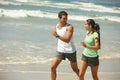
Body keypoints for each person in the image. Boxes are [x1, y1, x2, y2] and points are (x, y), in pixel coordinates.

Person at [51, 11, 79, 80]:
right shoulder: (57, 26)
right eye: (64, 18)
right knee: (53, 67)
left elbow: (67, 40)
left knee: (75, 69)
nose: (65, 20)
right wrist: (57, 36)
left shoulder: (69, 27)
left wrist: (56, 35)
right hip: (60, 50)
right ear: (59, 18)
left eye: (66, 18)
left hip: (70, 51)